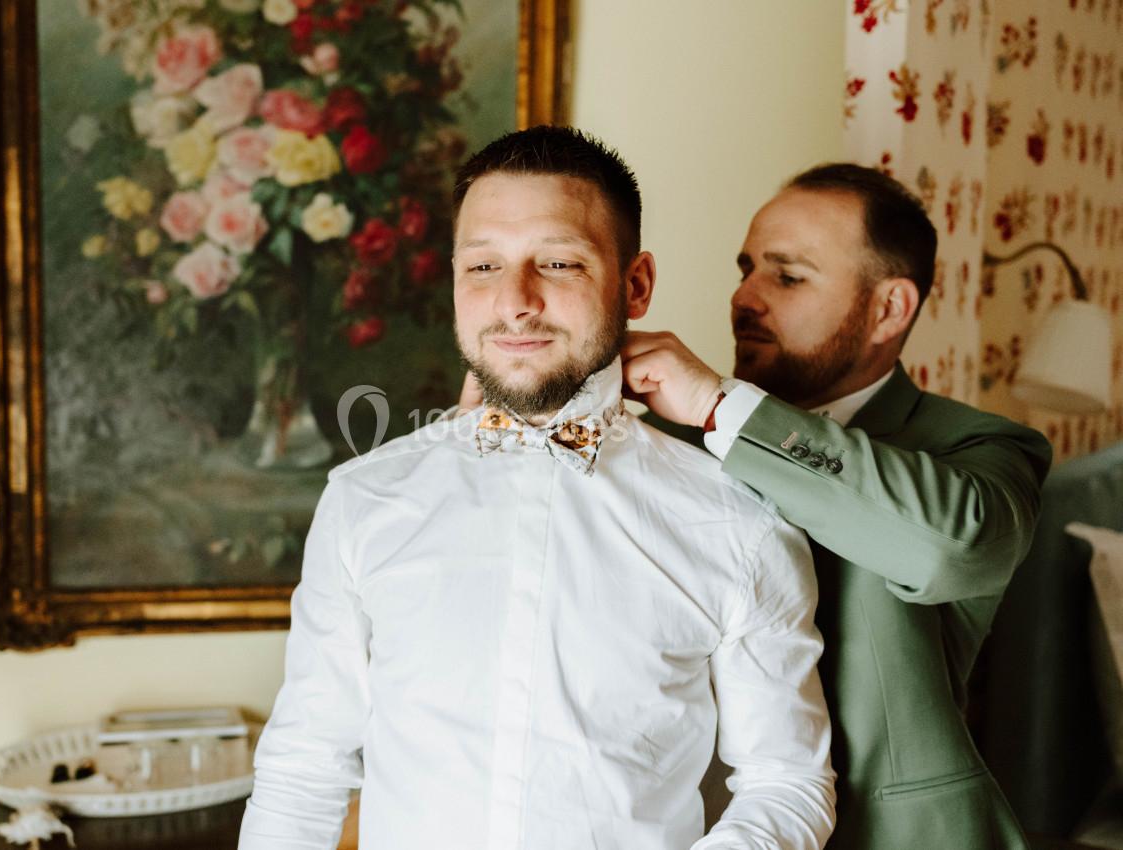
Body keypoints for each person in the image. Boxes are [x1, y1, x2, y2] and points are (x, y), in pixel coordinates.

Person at [238, 126, 837, 850]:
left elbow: (788, 781)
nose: (515, 301)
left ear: (635, 284)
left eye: (558, 262)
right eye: (483, 266)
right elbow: (304, 768)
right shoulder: (364, 501)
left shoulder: (736, 522)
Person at [616, 164, 1053, 849]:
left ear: (889, 309)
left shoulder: (979, 448)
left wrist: (718, 408)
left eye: (787, 277)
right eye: (747, 269)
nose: (743, 297)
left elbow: (951, 550)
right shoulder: (657, 446)